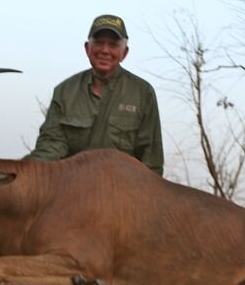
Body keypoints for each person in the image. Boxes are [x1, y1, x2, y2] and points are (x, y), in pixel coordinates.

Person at [28, 14, 164, 175]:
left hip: (123, 191)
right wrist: (23, 171)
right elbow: (50, 147)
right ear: (87, 48)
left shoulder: (143, 93)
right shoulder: (65, 91)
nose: (105, 51)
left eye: (113, 45)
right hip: (72, 185)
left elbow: (151, 160)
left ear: (124, 53)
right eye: (99, 43)